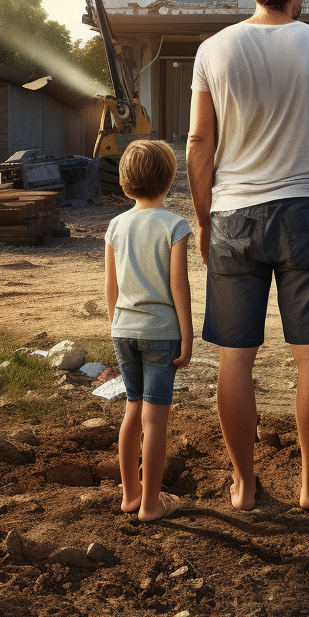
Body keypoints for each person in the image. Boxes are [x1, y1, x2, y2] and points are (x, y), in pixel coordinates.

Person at [187, 0, 309, 512]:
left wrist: (205, 217)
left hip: (233, 213)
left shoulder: (213, 50)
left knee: (235, 359)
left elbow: (198, 142)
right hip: (305, 211)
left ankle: (242, 484)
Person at [104, 139, 193, 522]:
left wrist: (116, 325)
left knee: (131, 410)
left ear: (125, 182)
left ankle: (130, 496)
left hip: (122, 330)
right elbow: (179, 286)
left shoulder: (115, 225)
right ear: (169, 180)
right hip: (161, 332)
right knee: (155, 419)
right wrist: (186, 334)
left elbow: (111, 288)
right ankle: (153, 504)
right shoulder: (173, 225)